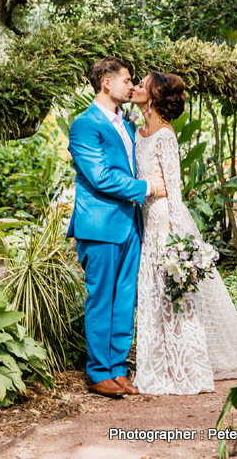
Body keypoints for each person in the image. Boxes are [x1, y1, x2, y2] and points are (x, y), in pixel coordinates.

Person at [130, 71, 237, 395]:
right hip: (145, 224)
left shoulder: (165, 135)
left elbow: (175, 190)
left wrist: (182, 245)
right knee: (153, 295)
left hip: (165, 222)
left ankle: (187, 369)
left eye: (142, 85)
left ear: (153, 96)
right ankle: (158, 366)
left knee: (173, 293)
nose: (136, 88)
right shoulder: (137, 131)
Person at [67, 57, 167, 398]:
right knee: (101, 299)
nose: (131, 85)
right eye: (126, 79)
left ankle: (118, 369)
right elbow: (99, 177)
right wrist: (148, 188)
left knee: (125, 299)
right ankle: (98, 373)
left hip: (129, 225)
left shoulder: (127, 123)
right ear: (106, 83)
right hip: (99, 225)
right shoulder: (84, 125)